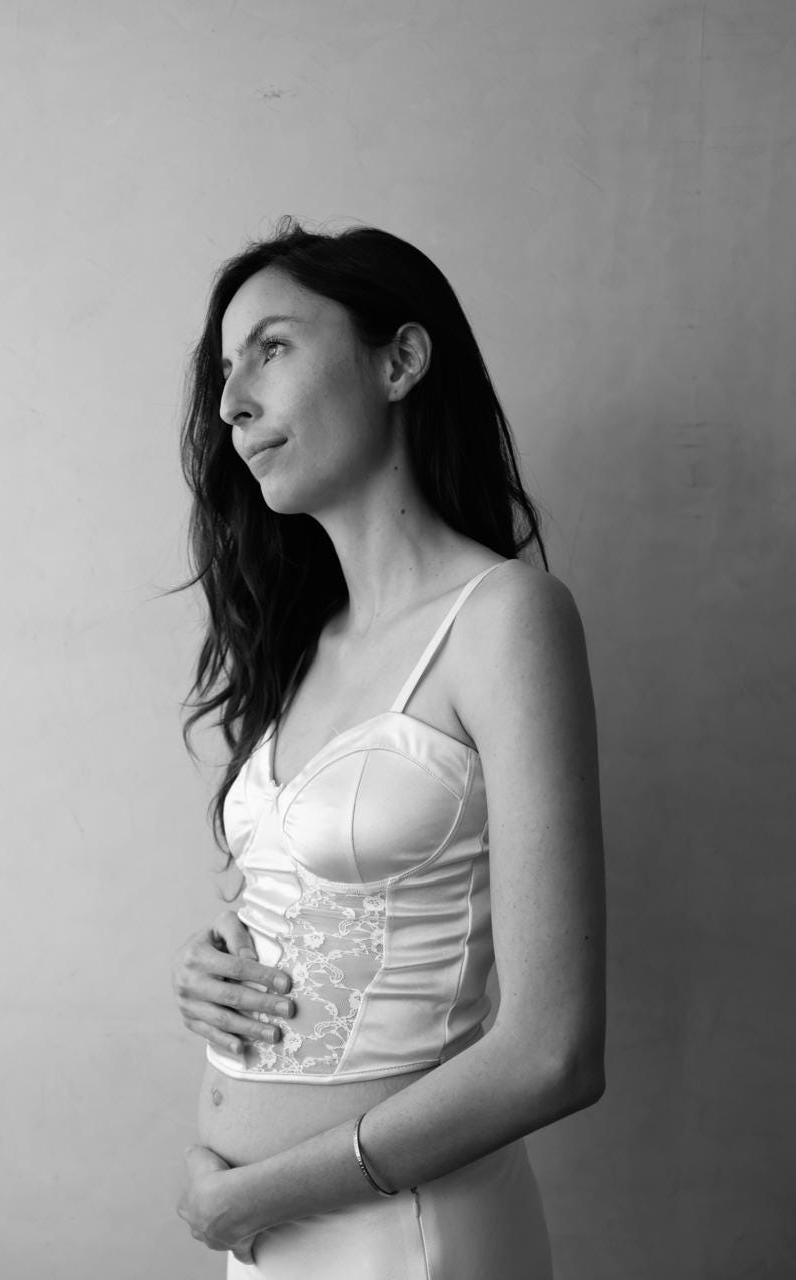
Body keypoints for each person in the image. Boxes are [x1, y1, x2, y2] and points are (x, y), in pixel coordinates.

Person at [170, 216, 606, 1278]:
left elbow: (554, 1051)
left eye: (271, 348)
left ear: (400, 360)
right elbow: (336, 910)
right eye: (225, 372)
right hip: (260, 1237)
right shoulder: (301, 646)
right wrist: (219, 975)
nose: (231, 404)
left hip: (406, 1236)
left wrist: (253, 1192)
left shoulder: (504, 620)